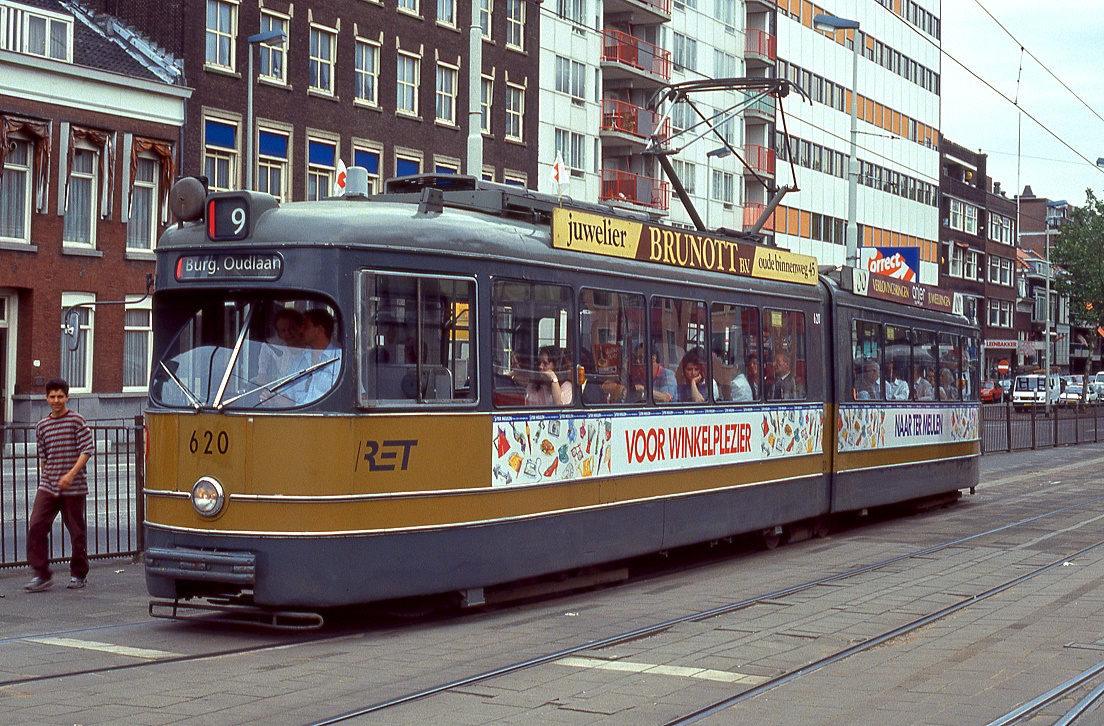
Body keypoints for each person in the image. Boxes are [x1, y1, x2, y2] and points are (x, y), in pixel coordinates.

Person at [25, 379, 95, 592]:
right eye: (52, 397)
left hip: (73, 486)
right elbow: (43, 456)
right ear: (46, 398)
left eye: (60, 396)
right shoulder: (42, 426)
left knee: (76, 530)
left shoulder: (77, 420)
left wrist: (71, 474)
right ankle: (41, 574)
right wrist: (48, 475)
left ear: (67, 397)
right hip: (48, 485)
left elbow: (87, 450)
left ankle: (78, 573)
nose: (56, 400)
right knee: (36, 524)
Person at [288, 309, 341, 403]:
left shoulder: (340, 360)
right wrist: (273, 400)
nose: (300, 330)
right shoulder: (299, 362)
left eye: (306, 326)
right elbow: (287, 398)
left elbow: (359, 396)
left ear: (319, 330)